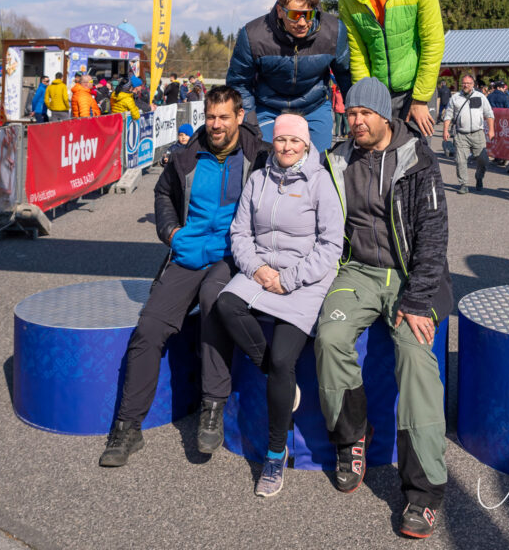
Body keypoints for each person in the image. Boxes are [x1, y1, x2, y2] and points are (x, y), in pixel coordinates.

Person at [99, 86, 270, 467]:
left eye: (224, 117)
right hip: (187, 254)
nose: (216, 125)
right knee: (149, 328)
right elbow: (162, 194)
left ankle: (212, 404)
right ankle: (127, 427)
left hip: (230, 256)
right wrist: (171, 233)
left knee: (214, 301)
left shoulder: (259, 156)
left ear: (239, 117)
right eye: (210, 117)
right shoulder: (185, 156)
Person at [315, 77, 451, 540]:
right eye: (350, 113)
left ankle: (424, 490)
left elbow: (433, 237)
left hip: (408, 276)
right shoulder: (336, 160)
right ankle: (352, 437)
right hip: (356, 272)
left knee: (414, 354)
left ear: (384, 116)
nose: (355, 122)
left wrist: (417, 299)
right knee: (330, 337)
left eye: (364, 114)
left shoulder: (418, 160)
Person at [215, 113, 343, 497]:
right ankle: (275, 376)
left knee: (285, 360)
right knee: (225, 304)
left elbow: (331, 245)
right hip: (261, 272)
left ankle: (274, 454)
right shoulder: (258, 179)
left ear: (306, 145)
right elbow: (240, 232)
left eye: (294, 141)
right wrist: (256, 269)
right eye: (281, 140)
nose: (286, 147)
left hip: (304, 281)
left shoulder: (320, 182)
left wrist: (289, 279)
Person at [337, 0, 444, 138]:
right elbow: (357, 54)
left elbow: (433, 44)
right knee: (376, 152)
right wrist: (365, 101)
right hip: (378, 93)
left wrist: (420, 99)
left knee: (417, 152)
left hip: (416, 88)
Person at [227, 0, 351, 152]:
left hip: (314, 105)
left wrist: (354, 115)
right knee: (265, 158)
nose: (302, 23)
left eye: (308, 15)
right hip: (269, 106)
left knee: (321, 161)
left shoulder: (334, 31)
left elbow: (345, 76)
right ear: (280, 11)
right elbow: (239, 83)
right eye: (294, 15)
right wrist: (251, 123)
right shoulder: (253, 35)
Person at [442, 74, 495, 193]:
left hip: (477, 133)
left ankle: (479, 177)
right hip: (461, 134)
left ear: (473, 84)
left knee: (483, 160)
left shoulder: (480, 97)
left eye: (468, 83)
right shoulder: (455, 98)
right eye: (464, 83)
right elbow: (448, 115)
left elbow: (489, 114)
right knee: (460, 160)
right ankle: (463, 184)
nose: (466, 85)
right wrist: (445, 130)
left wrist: (491, 130)